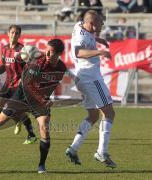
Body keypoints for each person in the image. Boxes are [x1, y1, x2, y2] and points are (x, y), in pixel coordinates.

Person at [0, 39, 67, 173]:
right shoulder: (38, 62)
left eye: (51, 51)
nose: (47, 53)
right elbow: (28, 85)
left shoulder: (61, 68)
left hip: (39, 101)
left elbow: (50, 86)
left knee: (44, 127)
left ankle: (41, 166)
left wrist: (46, 99)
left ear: (59, 53)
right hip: (22, 95)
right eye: (46, 49)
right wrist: (43, 98)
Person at [66, 10, 116, 168]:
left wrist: (98, 38)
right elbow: (79, 52)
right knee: (109, 112)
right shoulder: (82, 36)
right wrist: (100, 51)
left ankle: (73, 148)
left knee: (93, 115)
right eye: (100, 23)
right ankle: (102, 151)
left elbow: (87, 35)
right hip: (91, 78)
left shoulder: (80, 25)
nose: (102, 25)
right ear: (92, 24)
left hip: (81, 78)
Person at [0, 25, 37, 144]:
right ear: (8, 33)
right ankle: (17, 119)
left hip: (19, 85)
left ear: (19, 35)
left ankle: (31, 134)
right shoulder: (4, 49)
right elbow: (4, 65)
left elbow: (30, 66)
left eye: (17, 33)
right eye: (12, 32)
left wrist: (26, 80)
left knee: (16, 110)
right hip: (7, 84)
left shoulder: (23, 50)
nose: (14, 35)